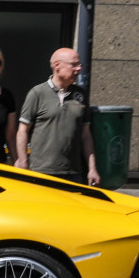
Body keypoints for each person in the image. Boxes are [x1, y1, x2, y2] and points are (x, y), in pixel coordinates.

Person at [15, 47, 100, 186]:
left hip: (73, 174)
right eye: (74, 65)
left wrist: (92, 169)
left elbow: (86, 135)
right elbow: (22, 130)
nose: (78, 69)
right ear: (57, 65)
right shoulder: (37, 93)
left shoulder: (80, 95)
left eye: (79, 65)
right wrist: (23, 162)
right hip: (41, 173)